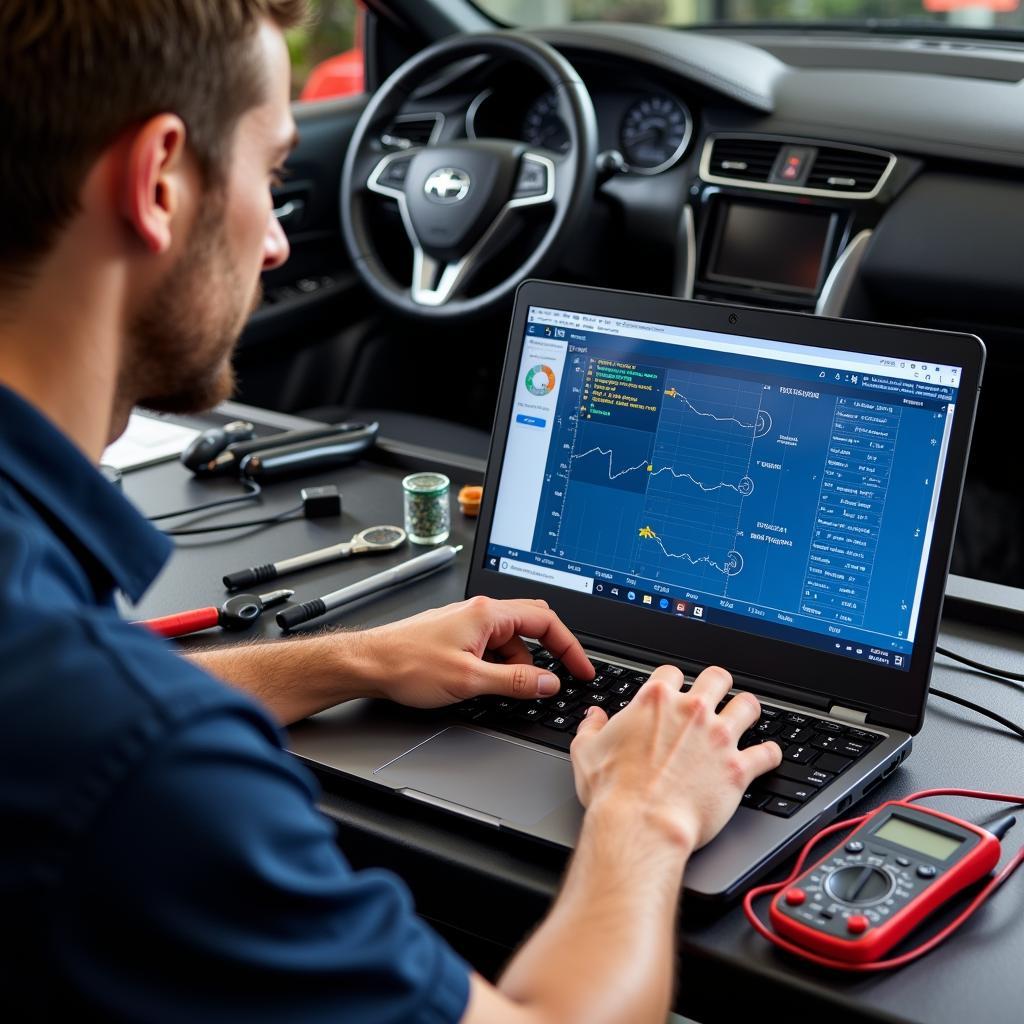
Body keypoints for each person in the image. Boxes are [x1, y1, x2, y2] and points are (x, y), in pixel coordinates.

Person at [0, 2, 784, 1020]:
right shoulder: (148, 768)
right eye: (273, 174)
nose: (279, 241)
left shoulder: (60, 662)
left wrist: (352, 658)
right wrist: (646, 814)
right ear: (157, 180)